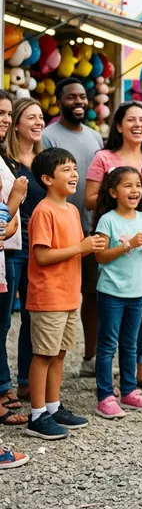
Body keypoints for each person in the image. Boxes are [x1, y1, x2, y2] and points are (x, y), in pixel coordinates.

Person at [85, 102, 142, 392]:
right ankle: (106, 373)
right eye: (131, 120)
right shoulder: (104, 157)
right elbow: (89, 200)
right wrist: (119, 195)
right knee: (111, 302)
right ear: (119, 125)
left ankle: (140, 370)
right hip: (112, 239)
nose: (138, 125)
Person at [25, 148, 105, 439]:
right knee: (43, 355)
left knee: (59, 354)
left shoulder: (71, 210)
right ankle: (36, 415)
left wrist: (90, 246)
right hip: (48, 296)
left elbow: (73, 249)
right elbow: (42, 256)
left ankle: (53, 406)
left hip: (69, 295)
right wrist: (82, 247)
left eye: (74, 168)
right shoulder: (44, 211)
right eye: (66, 169)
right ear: (47, 179)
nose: (74, 174)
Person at [41, 79, 104, 378]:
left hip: (90, 230)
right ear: (59, 102)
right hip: (58, 234)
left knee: (91, 295)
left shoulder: (95, 137)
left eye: (82, 96)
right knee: (56, 302)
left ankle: (90, 359)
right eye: (71, 97)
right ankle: (44, 367)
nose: (78, 101)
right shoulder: (48, 136)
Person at [93, 167, 142, 419]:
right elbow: (101, 256)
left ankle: (129, 391)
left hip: (136, 293)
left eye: (137, 185)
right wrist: (128, 244)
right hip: (111, 292)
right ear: (113, 192)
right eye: (127, 185)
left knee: (130, 344)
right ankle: (105, 396)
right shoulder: (107, 220)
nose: (134, 190)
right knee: (108, 345)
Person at [4, 99, 47, 402]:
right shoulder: (5, 162)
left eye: (41, 117)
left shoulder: (45, 162)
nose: (38, 122)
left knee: (33, 316)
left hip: (40, 243)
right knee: (4, 318)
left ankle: (25, 381)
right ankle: (3, 387)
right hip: (13, 242)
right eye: (31, 117)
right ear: (17, 124)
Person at [0, 90, 30, 423]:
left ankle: (4, 385)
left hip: (8, 249)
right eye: (1, 113)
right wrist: (16, 198)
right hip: (5, 248)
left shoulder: (5, 156)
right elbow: (1, 219)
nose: (5, 119)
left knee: (4, 322)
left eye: (8, 113)